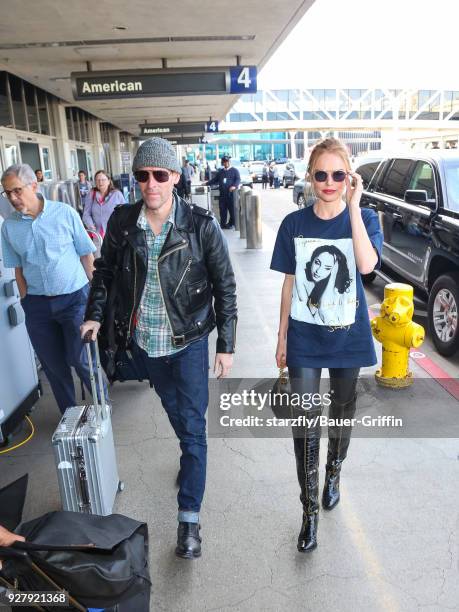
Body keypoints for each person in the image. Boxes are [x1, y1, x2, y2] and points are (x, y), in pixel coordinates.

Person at [81, 137, 237, 560]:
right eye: (143, 176)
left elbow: (225, 288)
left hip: (188, 344)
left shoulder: (200, 226)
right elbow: (105, 272)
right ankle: (190, 456)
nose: (151, 183)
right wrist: (95, 313)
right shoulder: (122, 221)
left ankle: (189, 520)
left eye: (160, 175)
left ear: (175, 177)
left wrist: (226, 345)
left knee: (193, 430)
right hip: (145, 345)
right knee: (178, 416)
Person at [270, 137, 383, 553]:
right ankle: (309, 511)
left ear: (349, 177)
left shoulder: (365, 218)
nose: (330, 182)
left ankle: (334, 468)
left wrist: (353, 207)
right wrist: (281, 336)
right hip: (304, 337)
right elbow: (288, 283)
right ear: (310, 177)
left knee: (341, 412)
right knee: (304, 426)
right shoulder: (294, 224)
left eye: (339, 174)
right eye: (322, 174)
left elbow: (368, 266)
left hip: (348, 337)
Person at [0, 164, 106, 415]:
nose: (13, 198)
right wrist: (26, 299)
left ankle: (103, 408)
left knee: (82, 360)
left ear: (34, 186)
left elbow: (86, 256)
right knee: (53, 367)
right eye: (7, 193)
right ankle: (70, 416)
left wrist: (95, 301)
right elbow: (16, 267)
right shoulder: (9, 227)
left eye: (17, 191)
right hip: (37, 306)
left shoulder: (64, 213)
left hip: (75, 300)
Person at [82, 170, 125, 238]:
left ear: (108, 181)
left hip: (115, 234)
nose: (100, 182)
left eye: (103, 180)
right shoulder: (91, 194)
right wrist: (91, 227)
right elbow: (86, 214)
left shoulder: (117, 194)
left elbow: (124, 214)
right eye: (98, 180)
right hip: (97, 236)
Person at [204, 155, 240, 229]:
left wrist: (234, 186)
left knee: (232, 210)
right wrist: (206, 183)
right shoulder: (221, 172)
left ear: (229, 162)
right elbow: (215, 180)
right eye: (224, 162)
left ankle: (231, 224)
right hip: (222, 195)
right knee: (222, 210)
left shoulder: (235, 171)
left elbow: (238, 179)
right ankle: (223, 224)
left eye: (227, 162)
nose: (225, 163)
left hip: (231, 195)